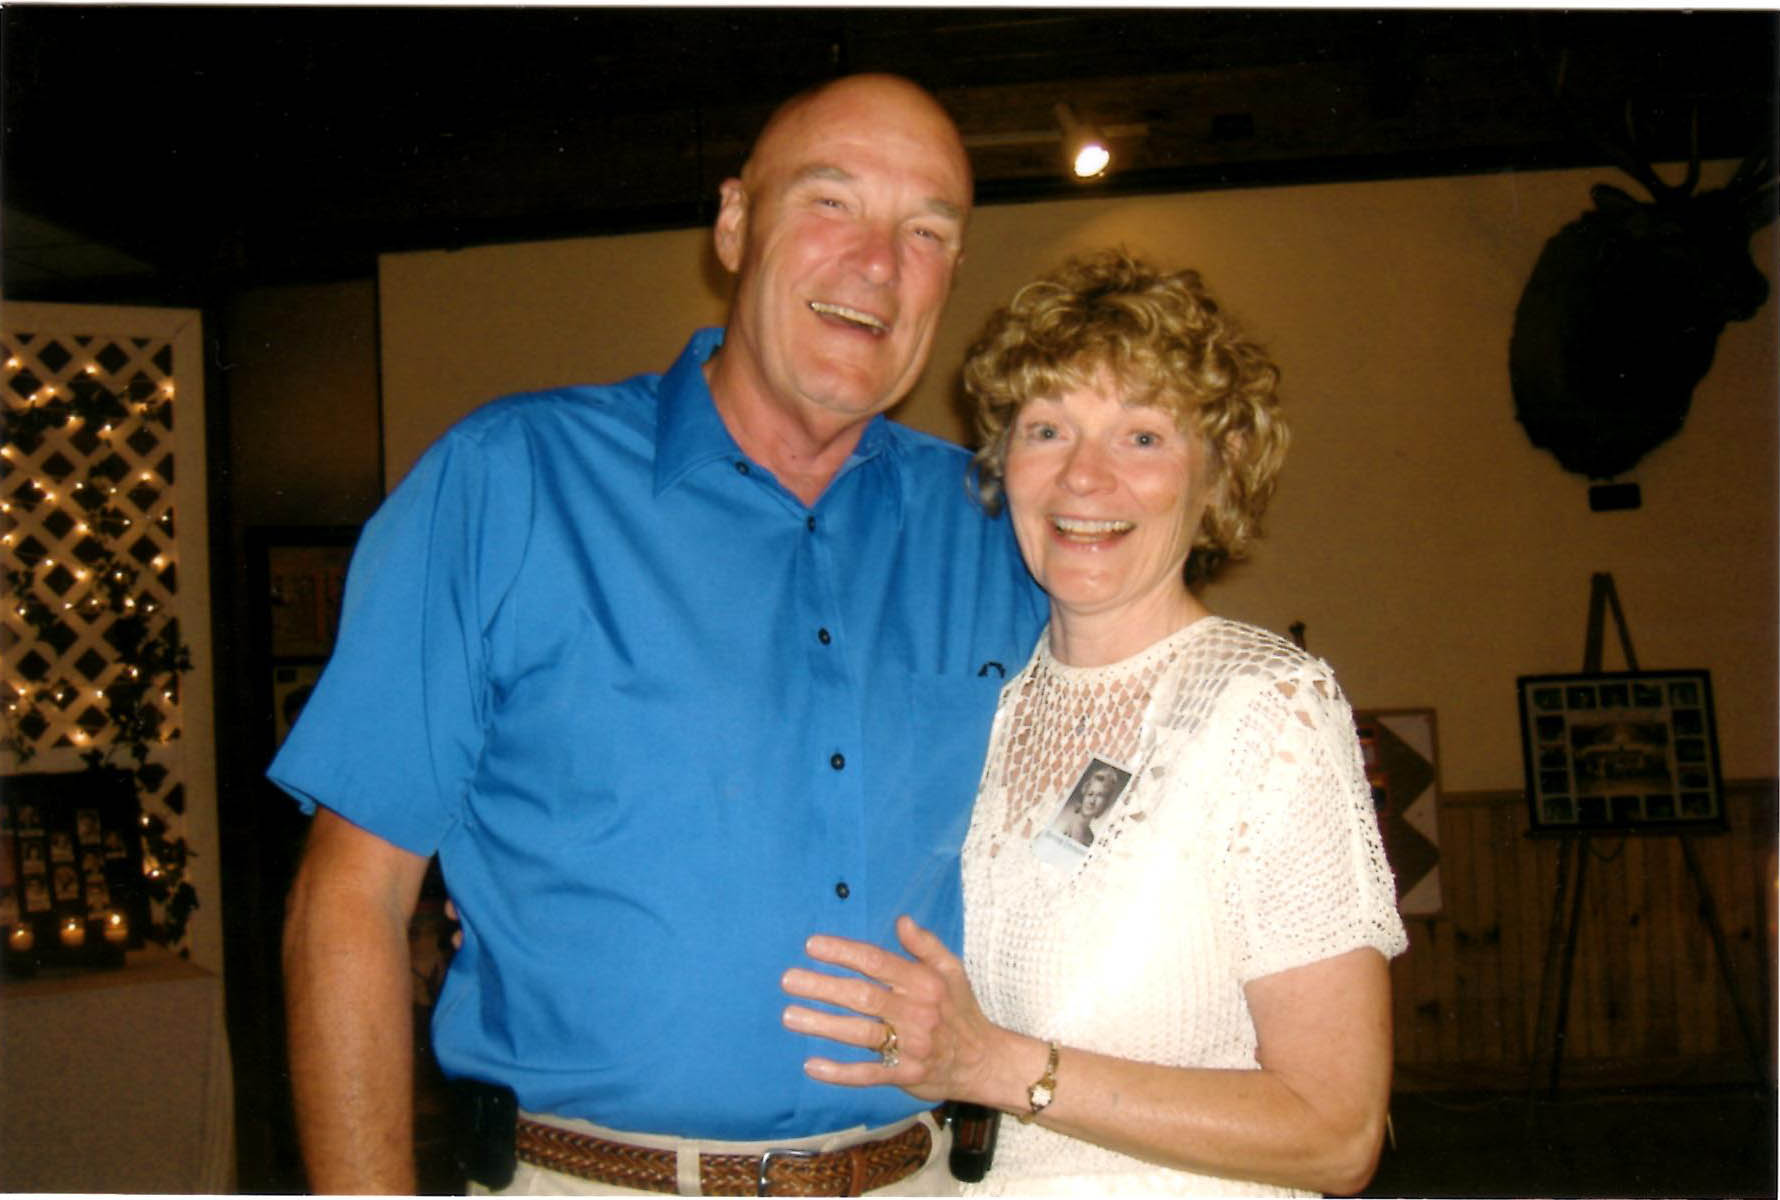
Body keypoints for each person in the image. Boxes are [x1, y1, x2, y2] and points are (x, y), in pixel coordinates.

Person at [272, 73, 1045, 1195]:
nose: (878, 263)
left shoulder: (997, 530)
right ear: (734, 224)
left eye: (925, 231)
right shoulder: (509, 482)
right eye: (831, 202)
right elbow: (348, 901)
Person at [780, 251, 1410, 1195]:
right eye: (1048, 430)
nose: (1083, 478)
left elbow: (1336, 1133)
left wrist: (994, 1066)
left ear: (1218, 474)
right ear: (1004, 464)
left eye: (1142, 437)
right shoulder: (994, 708)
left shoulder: (1266, 711)